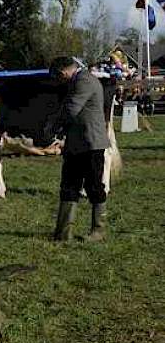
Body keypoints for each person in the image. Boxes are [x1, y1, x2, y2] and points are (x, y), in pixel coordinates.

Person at [49, 56, 111, 241]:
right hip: (76, 144)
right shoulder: (78, 81)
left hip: (91, 144)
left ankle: (98, 231)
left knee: (94, 187)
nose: (58, 82)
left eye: (58, 77)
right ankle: (63, 233)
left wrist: (52, 127)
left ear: (63, 72)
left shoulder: (84, 81)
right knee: (68, 186)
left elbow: (71, 109)